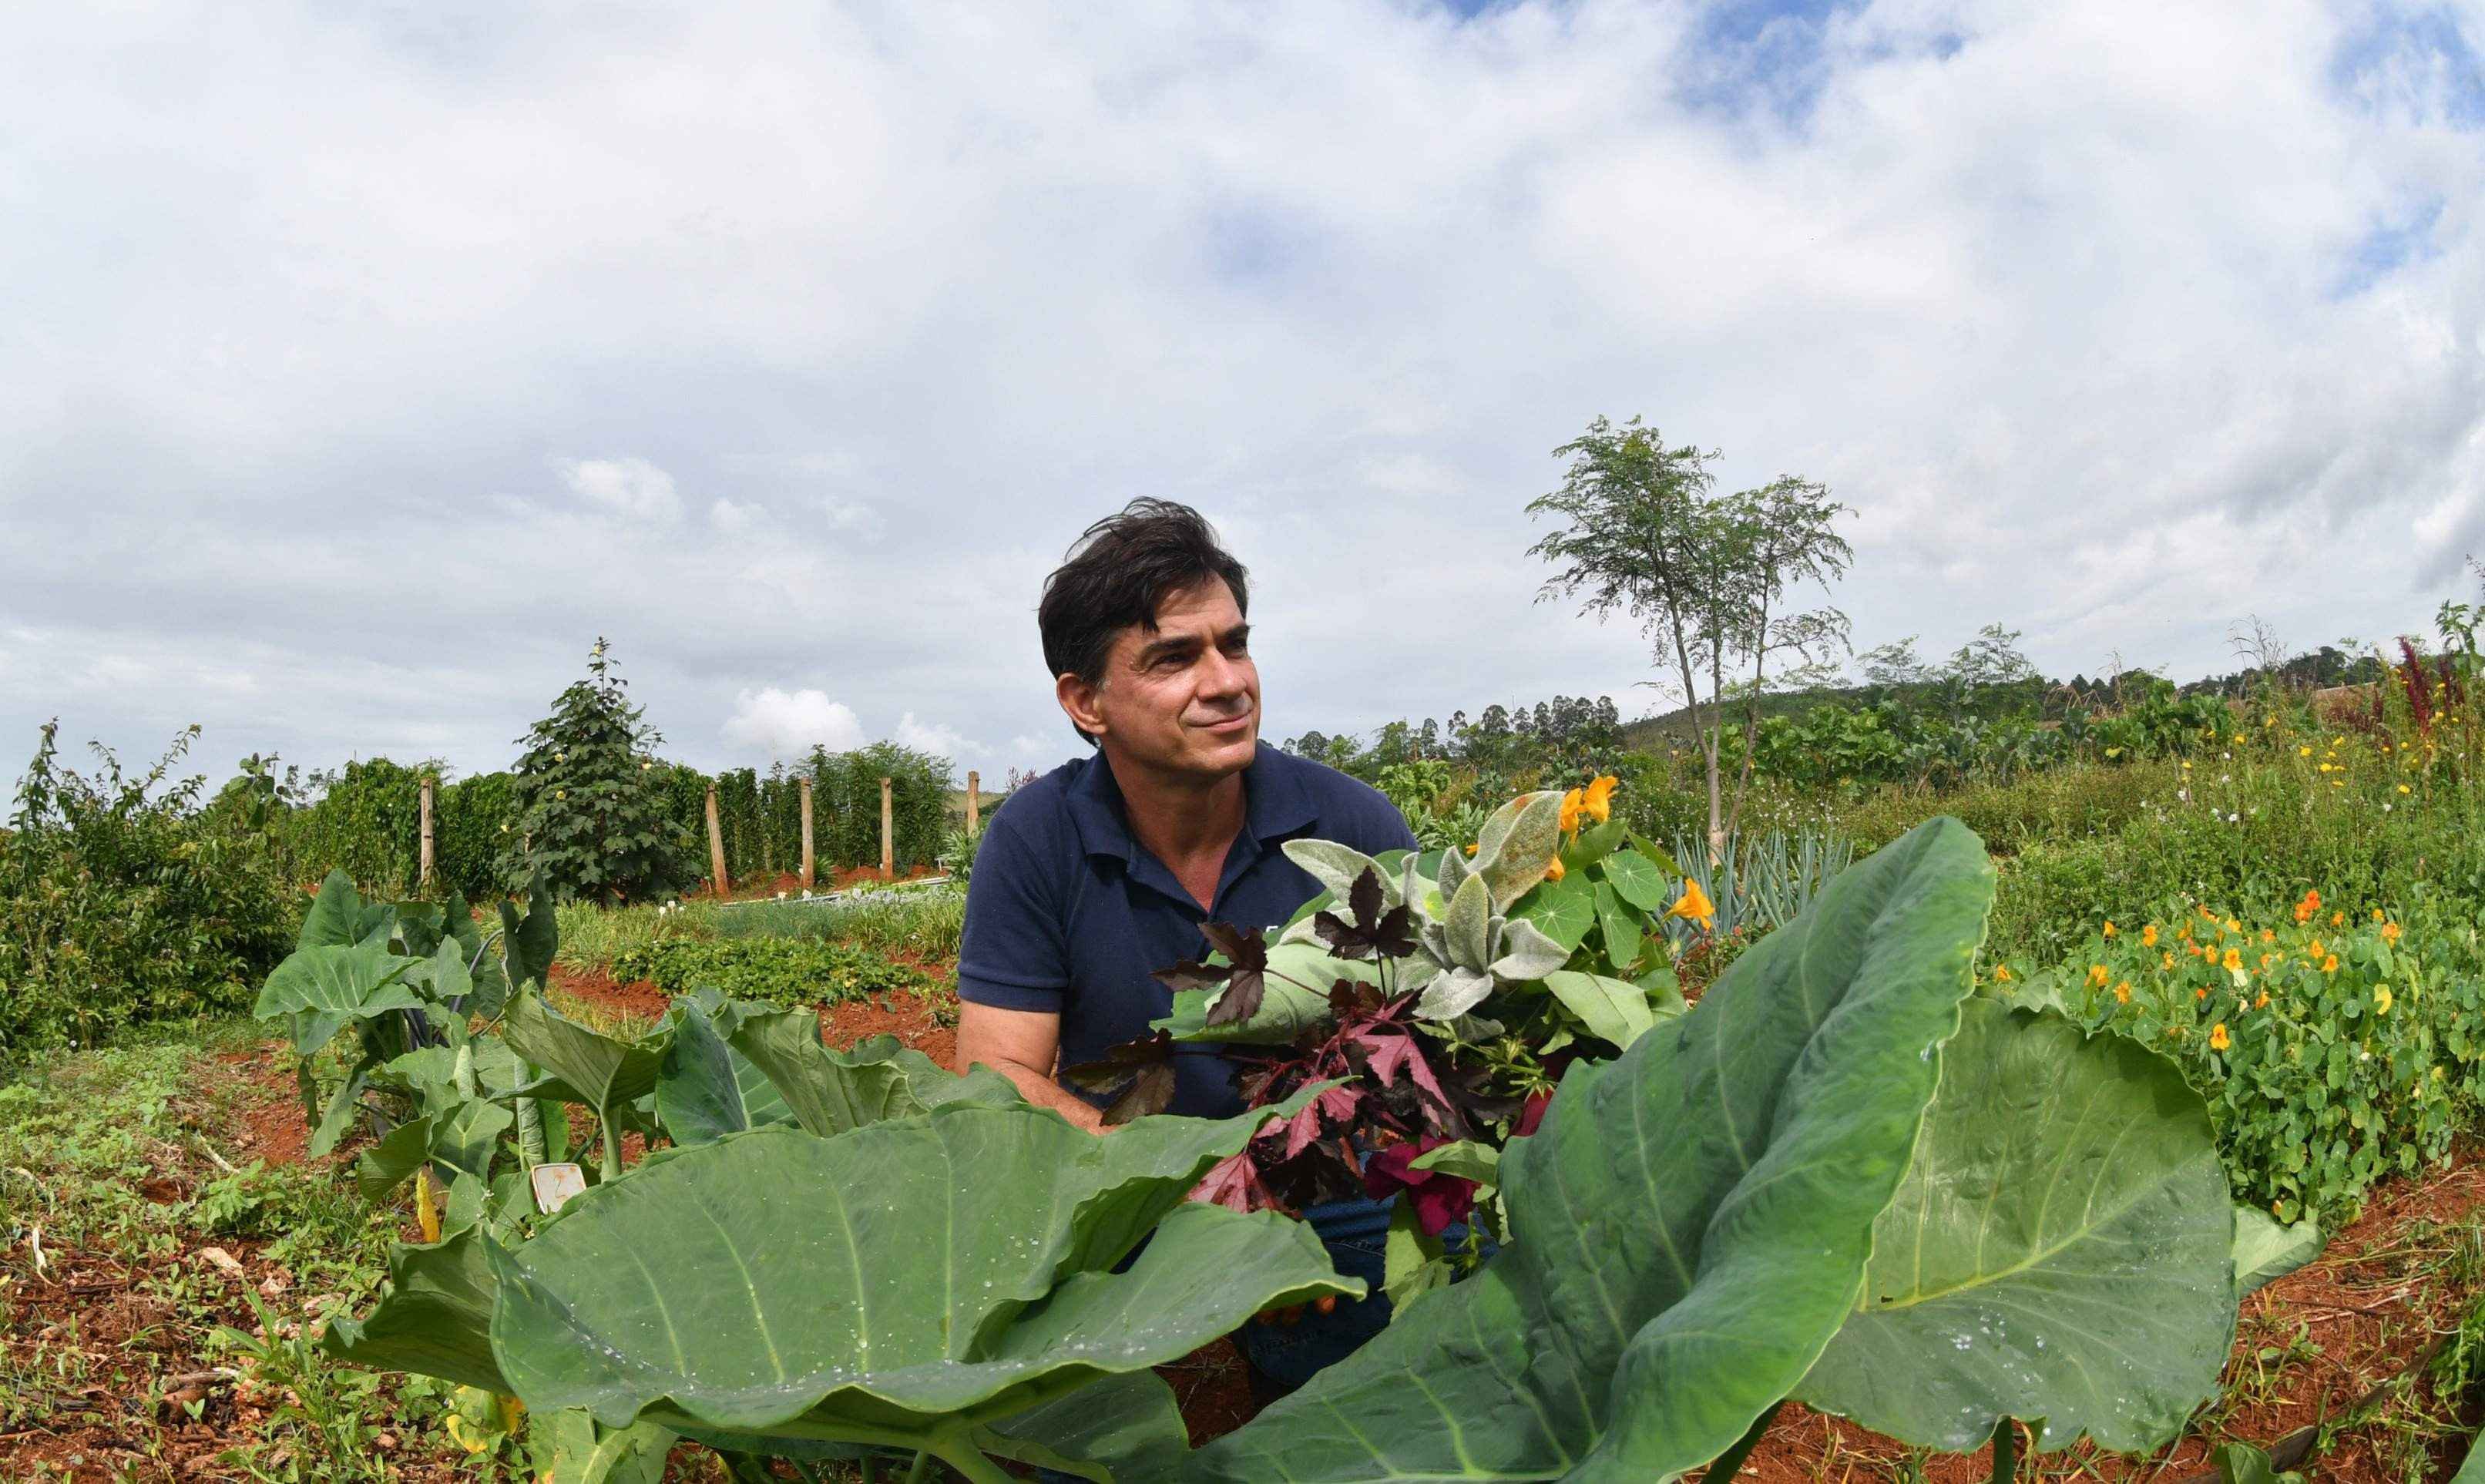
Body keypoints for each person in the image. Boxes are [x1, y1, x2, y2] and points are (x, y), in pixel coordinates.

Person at [953, 498, 1416, 1393]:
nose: (1228, 681)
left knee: (1361, 1426)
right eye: (1174, 657)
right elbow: (994, 1072)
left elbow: (1412, 1055)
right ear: (1086, 702)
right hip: (1122, 1188)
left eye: (1234, 644)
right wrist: (1194, 1194)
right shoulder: (1037, 838)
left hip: (1310, 1198)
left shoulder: (1351, 825)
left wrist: (1275, 1227)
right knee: (1074, 1431)